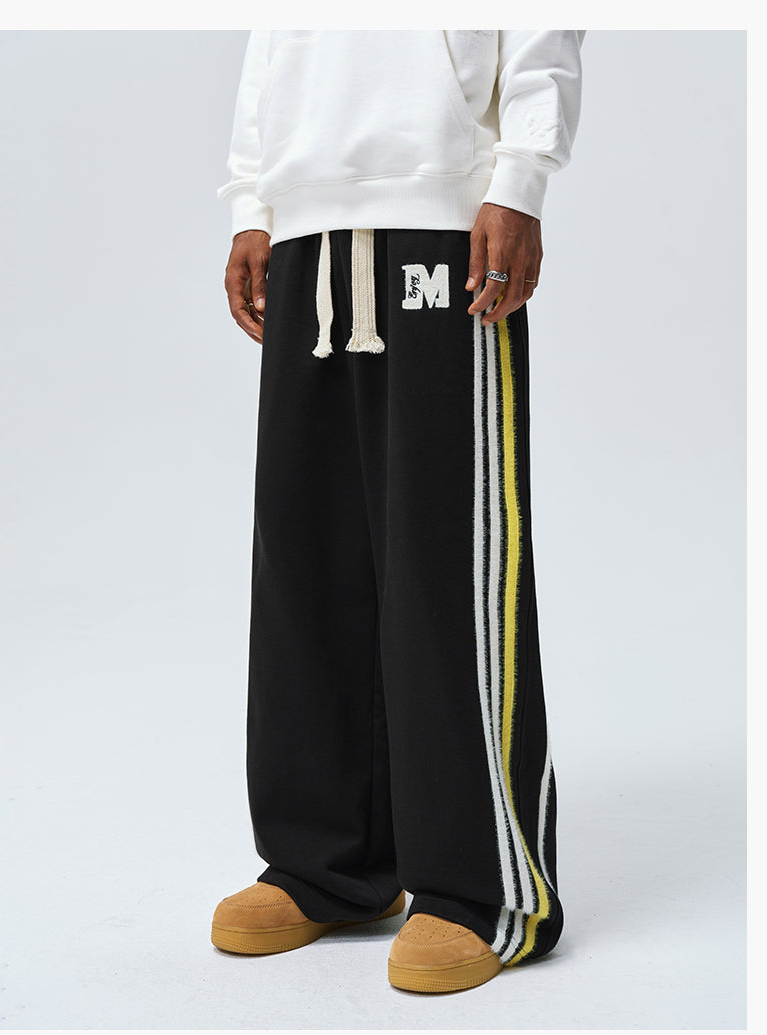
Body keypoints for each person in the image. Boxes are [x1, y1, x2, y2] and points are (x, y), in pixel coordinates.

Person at [212, 29, 585, 994]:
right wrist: (255, 199)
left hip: (444, 209)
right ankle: (328, 864)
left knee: (443, 556)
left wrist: (519, 179)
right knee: (306, 558)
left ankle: (480, 887)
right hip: (305, 217)